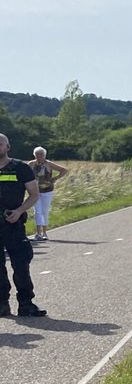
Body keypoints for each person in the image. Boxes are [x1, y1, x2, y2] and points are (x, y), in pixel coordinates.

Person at [0, 133, 45, 318]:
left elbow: (34, 195)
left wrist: (19, 211)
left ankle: (26, 304)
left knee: (21, 265)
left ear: (8, 146)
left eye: (0, 143)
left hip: (13, 224)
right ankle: (2, 304)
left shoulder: (21, 168)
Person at [27, 146, 68, 241]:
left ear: (44, 155)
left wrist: (55, 178)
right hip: (35, 191)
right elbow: (25, 173)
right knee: (37, 211)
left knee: (45, 211)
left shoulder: (49, 164)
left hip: (47, 190)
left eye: (41, 154)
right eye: (37, 154)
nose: (39, 156)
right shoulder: (31, 164)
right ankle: (38, 233)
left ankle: (45, 232)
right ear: (34, 155)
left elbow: (64, 170)